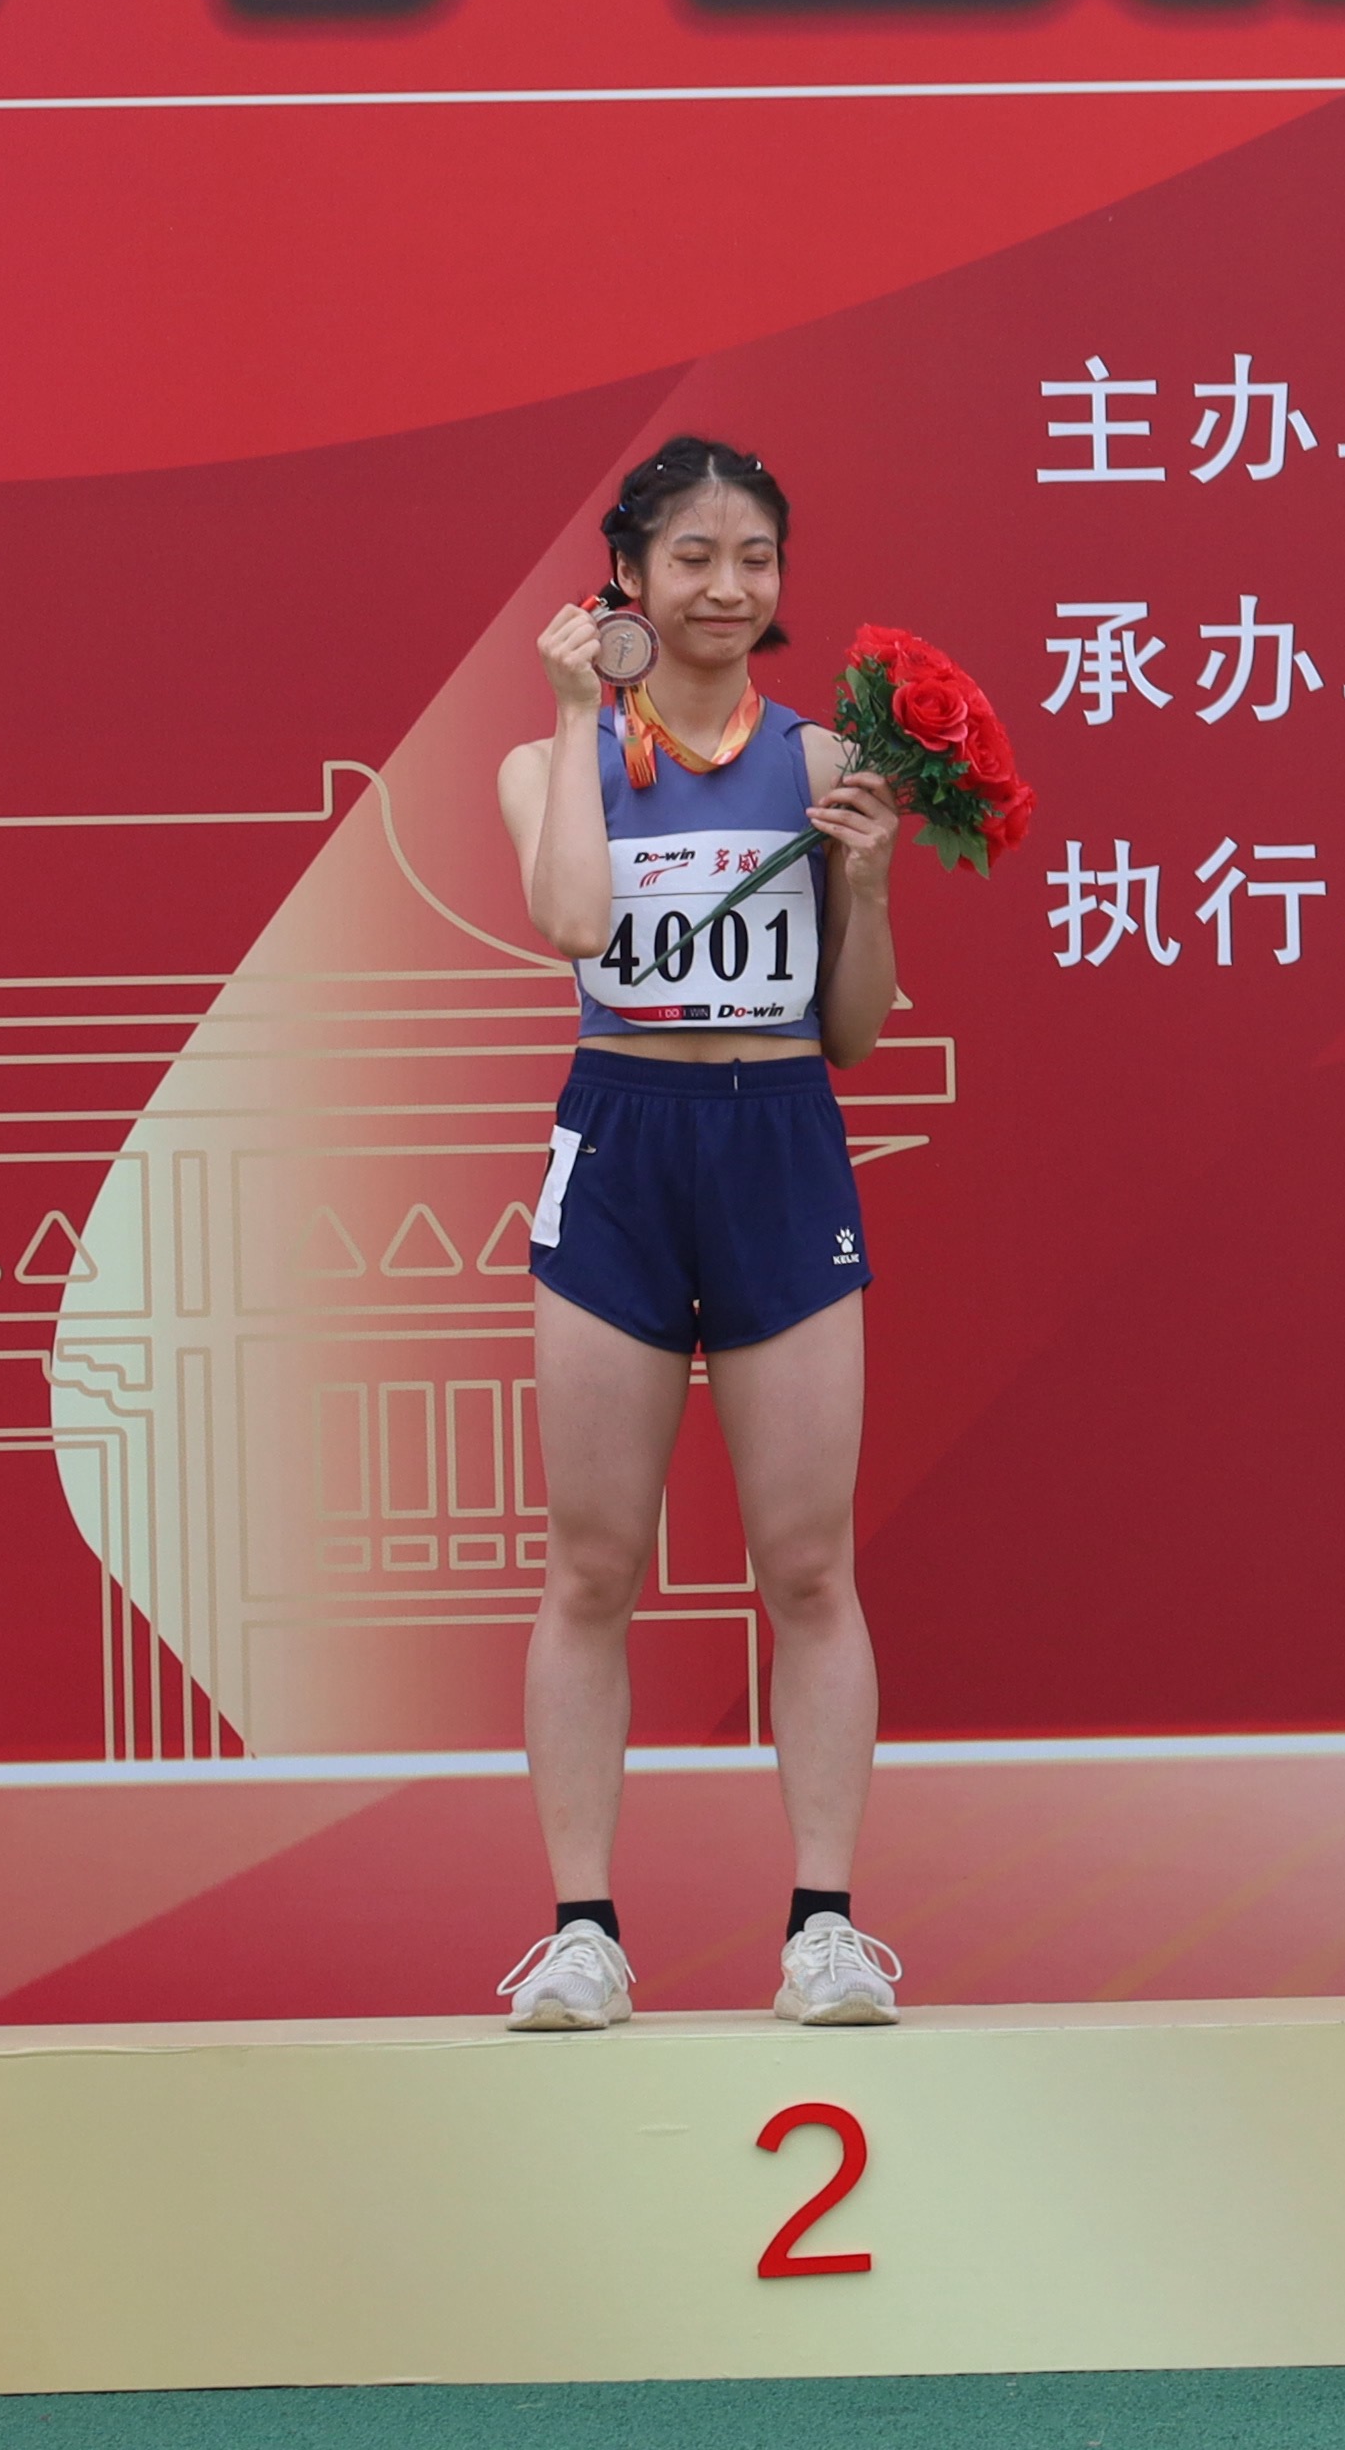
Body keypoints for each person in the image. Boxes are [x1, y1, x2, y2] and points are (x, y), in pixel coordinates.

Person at [492, 435, 906, 2036]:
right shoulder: (547, 758)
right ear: (628, 574)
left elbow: (852, 1031)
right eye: (693, 558)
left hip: (779, 1146)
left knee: (807, 1562)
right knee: (592, 1562)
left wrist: (870, 888)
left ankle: (826, 1928)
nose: (728, 588)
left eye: (756, 558)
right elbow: (574, 926)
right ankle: (582, 1932)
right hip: (623, 1144)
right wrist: (575, 716)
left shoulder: (824, 761)